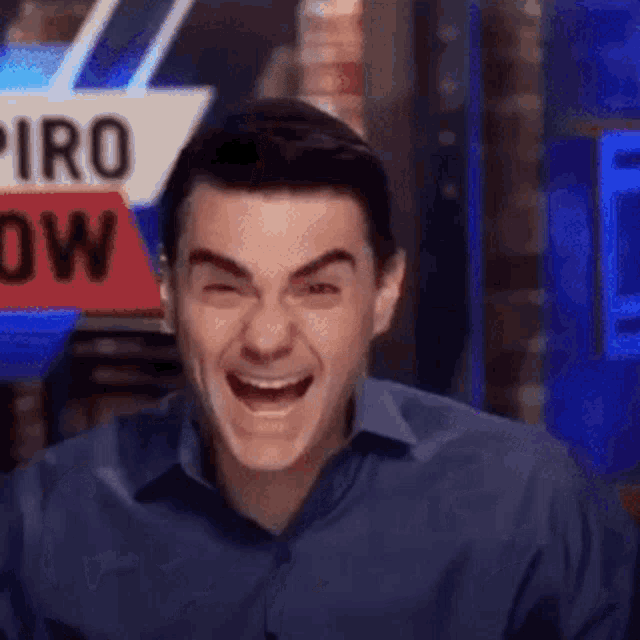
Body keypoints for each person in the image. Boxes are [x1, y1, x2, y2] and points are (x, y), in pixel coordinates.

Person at [0, 98, 638, 639]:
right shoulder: (41, 524)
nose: (267, 338)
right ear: (168, 295)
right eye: (225, 288)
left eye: (317, 290)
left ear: (383, 293)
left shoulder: (535, 510)